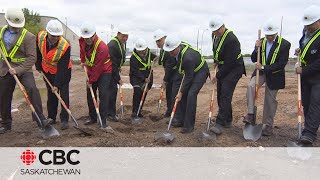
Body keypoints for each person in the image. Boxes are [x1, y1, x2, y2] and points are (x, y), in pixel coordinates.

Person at [0, 8, 52, 134]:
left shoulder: (29, 37)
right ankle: (6, 123)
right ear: (7, 21)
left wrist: (17, 70)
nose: (16, 28)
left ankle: (40, 118)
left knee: (32, 89)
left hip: (23, 68)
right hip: (4, 68)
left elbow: (32, 58)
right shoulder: (1, 31)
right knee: (3, 95)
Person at [243, 19, 291, 136]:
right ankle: (250, 114)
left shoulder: (285, 44)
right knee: (251, 86)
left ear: (276, 33)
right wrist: (256, 48)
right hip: (261, 72)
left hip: (274, 74)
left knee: (270, 99)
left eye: (271, 35)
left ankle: (268, 125)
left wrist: (264, 67)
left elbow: (281, 64)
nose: (269, 37)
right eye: (267, 35)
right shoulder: (261, 41)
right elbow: (254, 59)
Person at [208, 15, 246, 135]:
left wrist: (217, 76)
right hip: (224, 66)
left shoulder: (232, 40)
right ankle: (227, 120)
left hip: (234, 68)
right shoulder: (214, 35)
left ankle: (219, 123)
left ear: (223, 26)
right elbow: (216, 50)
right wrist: (216, 61)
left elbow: (230, 63)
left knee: (225, 94)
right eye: (213, 31)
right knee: (220, 94)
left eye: (218, 30)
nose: (215, 33)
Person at [163, 35, 209, 133]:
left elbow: (188, 77)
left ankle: (189, 126)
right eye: (169, 51)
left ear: (177, 47)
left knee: (191, 94)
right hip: (190, 71)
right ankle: (180, 120)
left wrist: (181, 92)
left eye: (172, 51)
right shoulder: (177, 49)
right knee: (182, 95)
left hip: (200, 71)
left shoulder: (188, 58)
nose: (170, 53)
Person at [35, 20, 72, 130]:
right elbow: (37, 51)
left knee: (63, 95)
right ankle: (51, 117)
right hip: (47, 70)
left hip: (63, 71)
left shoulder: (65, 46)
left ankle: (64, 119)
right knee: (51, 95)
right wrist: (38, 66)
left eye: (58, 36)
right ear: (47, 32)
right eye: (53, 36)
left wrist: (57, 84)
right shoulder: (40, 36)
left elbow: (62, 67)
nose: (55, 38)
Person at [79, 22, 113, 132]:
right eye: (86, 38)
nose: (87, 40)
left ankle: (103, 120)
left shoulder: (102, 47)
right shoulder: (82, 40)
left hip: (104, 70)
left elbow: (98, 67)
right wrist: (83, 62)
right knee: (90, 94)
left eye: (90, 37)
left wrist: (91, 80)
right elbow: (82, 52)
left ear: (94, 34)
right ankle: (93, 117)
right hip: (91, 69)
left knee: (103, 94)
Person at [295, 5, 320, 146]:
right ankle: (311, 126)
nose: (307, 28)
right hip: (306, 76)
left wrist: (303, 70)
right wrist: (300, 50)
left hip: (317, 77)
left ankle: (309, 134)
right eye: (306, 25)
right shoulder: (306, 32)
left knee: (316, 104)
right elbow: (309, 48)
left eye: (310, 25)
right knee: (307, 103)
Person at [153, 29, 180, 117]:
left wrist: (165, 80)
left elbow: (169, 67)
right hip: (169, 75)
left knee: (173, 94)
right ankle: (169, 111)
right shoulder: (163, 50)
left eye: (159, 41)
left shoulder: (169, 50)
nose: (158, 43)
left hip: (175, 74)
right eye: (156, 41)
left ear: (164, 38)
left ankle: (175, 114)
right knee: (169, 94)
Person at [106, 24, 129, 122]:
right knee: (111, 92)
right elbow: (113, 64)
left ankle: (110, 112)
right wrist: (118, 78)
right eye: (123, 36)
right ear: (118, 34)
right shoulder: (113, 45)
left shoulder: (120, 43)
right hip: (108, 71)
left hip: (113, 70)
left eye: (126, 36)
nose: (125, 38)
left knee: (112, 91)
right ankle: (110, 113)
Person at [129, 38, 156, 118]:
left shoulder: (149, 53)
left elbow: (155, 58)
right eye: (140, 51)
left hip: (147, 76)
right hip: (136, 78)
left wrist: (156, 59)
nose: (142, 52)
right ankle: (134, 112)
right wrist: (143, 78)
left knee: (143, 94)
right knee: (137, 92)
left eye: (143, 50)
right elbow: (135, 71)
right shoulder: (133, 58)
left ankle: (139, 111)